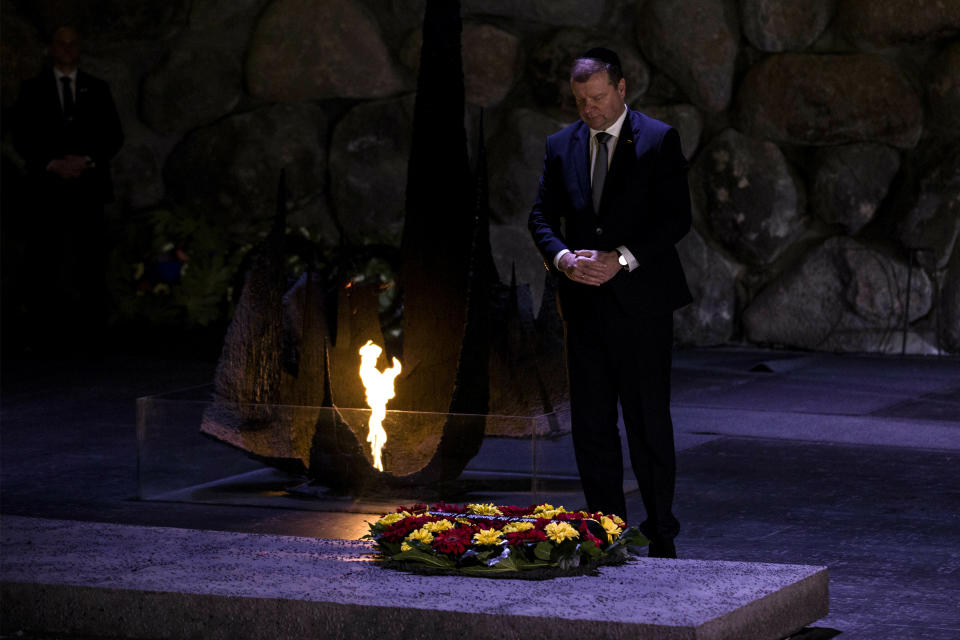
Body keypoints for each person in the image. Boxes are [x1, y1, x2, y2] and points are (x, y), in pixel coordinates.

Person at [528, 48, 692, 558]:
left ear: (622, 89)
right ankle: (603, 533)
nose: (590, 109)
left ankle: (662, 532)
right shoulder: (561, 145)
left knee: (647, 423)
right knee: (593, 426)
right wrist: (563, 260)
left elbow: (676, 219)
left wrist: (620, 259)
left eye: (598, 98)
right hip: (584, 308)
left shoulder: (659, 140)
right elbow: (540, 219)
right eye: (581, 100)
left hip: (641, 307)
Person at [13, 25, 124, 354]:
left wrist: (86, 159)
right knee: (44, 258)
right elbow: (23, 136)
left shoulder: (97, 88)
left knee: (90, 259)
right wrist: (52, 162)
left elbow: (112, 135)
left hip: (87, 187)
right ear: (51, 48)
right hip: (47, 189)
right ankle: (43, 331)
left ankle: (93, 333)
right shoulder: (32, 90)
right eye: (61, 44)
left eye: (72, 43)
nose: (66, 49)